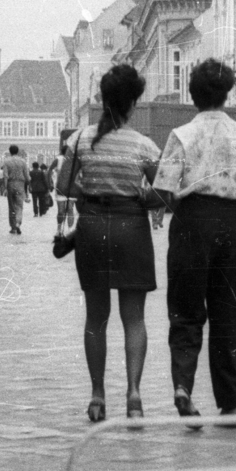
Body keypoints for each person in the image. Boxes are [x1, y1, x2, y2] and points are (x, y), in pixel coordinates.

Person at [153, 58, 236, 419]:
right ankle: (232, 401)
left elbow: (162, 191)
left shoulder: (181, 135)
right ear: (228, 92)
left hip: (191, 222)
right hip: (233, 222)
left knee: (186, 309)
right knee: (228, 314)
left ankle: (183, 385)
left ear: (193, 96)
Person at [57, 64, 161, 423]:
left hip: (93, 228)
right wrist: (141, 198)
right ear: (133, 102)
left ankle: (98, 395)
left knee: (95, 318)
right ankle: (134, 394)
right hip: (131, 227)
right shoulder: (144, 145)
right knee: (134, 318)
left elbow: (63, 187)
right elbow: (163, 192)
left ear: (102, 99)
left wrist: (91, 190)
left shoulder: (81, 140)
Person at [0, 144, 29, 234]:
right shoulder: (23, 161)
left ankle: (13, 227)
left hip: (10, 184)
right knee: (19, 206)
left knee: (11, 206)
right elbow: (27, 176)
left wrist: (5, 188)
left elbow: (5, 176)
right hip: (20, 184)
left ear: (10, 151)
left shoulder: (6, 161)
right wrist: (27, 185)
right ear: (17, 151)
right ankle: (18, 223)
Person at [50, 141, 77, 235]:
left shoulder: (71, 160)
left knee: (63, 210)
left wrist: (49, 183)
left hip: (64, 188)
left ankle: (64, 229)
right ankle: (65, 229)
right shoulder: (63, 159)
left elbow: (49, 170)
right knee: (68, 209)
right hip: (68, 188)